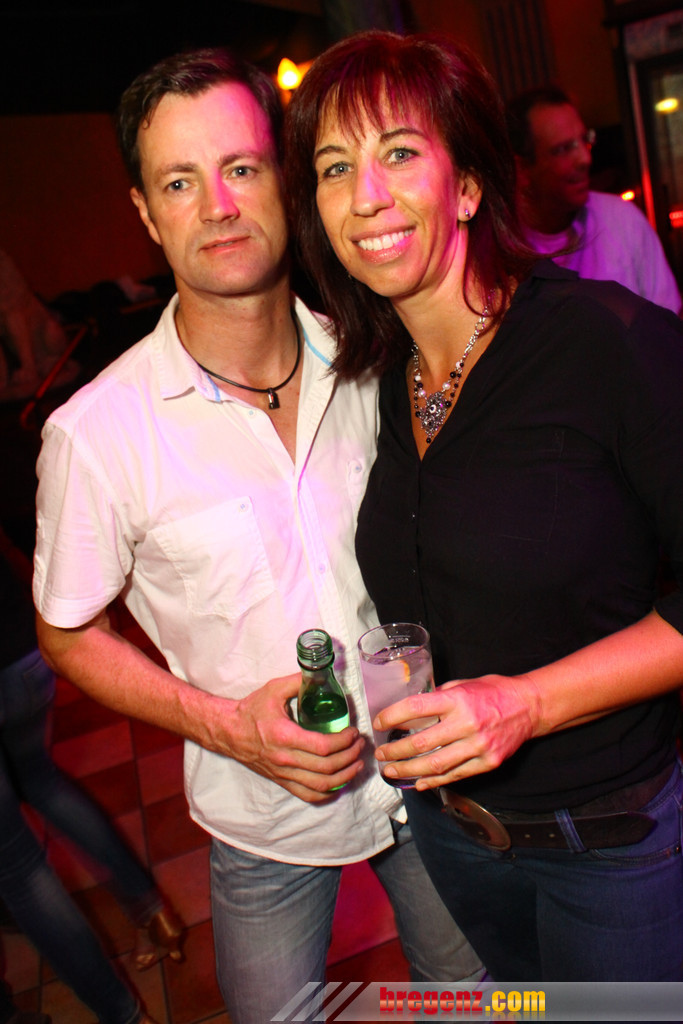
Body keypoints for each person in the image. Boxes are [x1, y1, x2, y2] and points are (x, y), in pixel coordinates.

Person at [32, 48, 483, 1023]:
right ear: (146, 213)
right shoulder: (96, 435)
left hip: (426, 784)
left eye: (241, 168)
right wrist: (223, 725)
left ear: (284, 180)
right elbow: (67, 634)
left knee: (477, 1005)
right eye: (179, 183)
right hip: (264, 820)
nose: (219, 206)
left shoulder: (381, 357)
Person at [285, 29, 683, 982]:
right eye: (334, 167)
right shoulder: (379, 381)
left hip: (608, 844)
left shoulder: (609, 345)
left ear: (466, 186)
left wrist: (522, 703)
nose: (365, 194)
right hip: (455, 835)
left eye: (398, 153)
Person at [0, 523, 167, 1024]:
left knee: (18, 867)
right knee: (41, 782)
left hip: (22, 648)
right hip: (19, 650)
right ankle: (152, 914)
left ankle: (125, 1017)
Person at [504, 85, 682, 313]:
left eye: (584, 139)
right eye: (563, 149)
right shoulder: (499, 248)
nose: (585, 158)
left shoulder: (622, 221)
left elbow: (668, 320)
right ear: (522, 168)